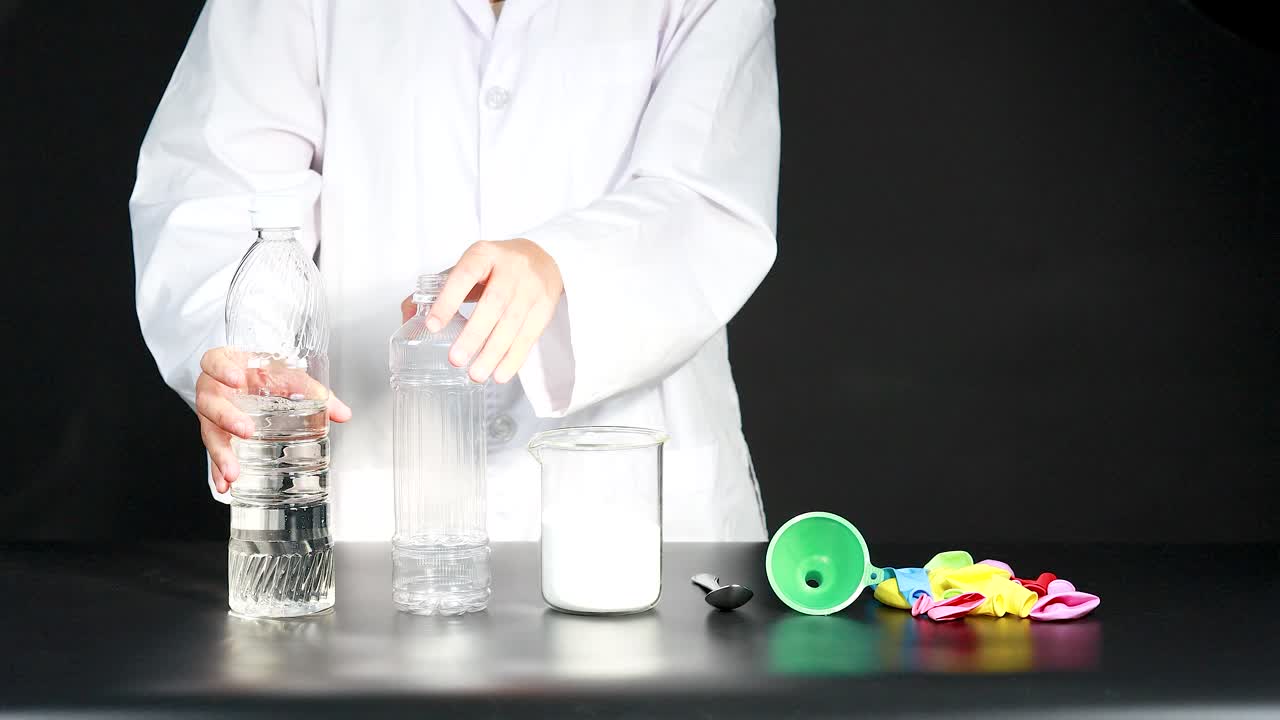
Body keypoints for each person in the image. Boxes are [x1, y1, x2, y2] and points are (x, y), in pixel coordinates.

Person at [130, 0, 779, 542]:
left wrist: (564, 266)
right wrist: (249, 364)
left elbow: (707, 194)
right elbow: (221, 194)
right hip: (378, 497)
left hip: (635, 505)